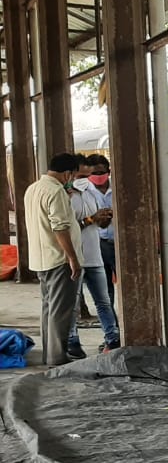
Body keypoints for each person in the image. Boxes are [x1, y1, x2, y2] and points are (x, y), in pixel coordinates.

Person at [23, 153, 83, 365]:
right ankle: (58, 357)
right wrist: (72, 258)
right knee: (61, 311)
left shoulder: (33, 188)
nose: (72, 180)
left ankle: (50, 354)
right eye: (74, 176)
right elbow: (60, 227)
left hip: (41, 259)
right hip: (59, 260)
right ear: (68, 173)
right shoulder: (55, 191)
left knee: (48, 308)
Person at [69, 154, 120, 353]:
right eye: (86, 175)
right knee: (72, 302)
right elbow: (65, 228)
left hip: (95, 255)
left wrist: (103, 218)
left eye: (97, 173)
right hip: (76, 255)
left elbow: (100, 222)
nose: (92, 178)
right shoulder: (65, 196)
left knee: (104, 300)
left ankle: (112, 338)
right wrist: (91, 219)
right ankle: (72, 341)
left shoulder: (89, 191)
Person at [84, 154, 115, 305]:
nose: (97, 176)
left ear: (108, 172)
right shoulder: (85, 192)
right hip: (99, 243)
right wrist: (94, 218)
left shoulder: (118, 188)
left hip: (118, 242)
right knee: (105, 288)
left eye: (101, 173)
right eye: (93, 173)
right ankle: (113, 323)